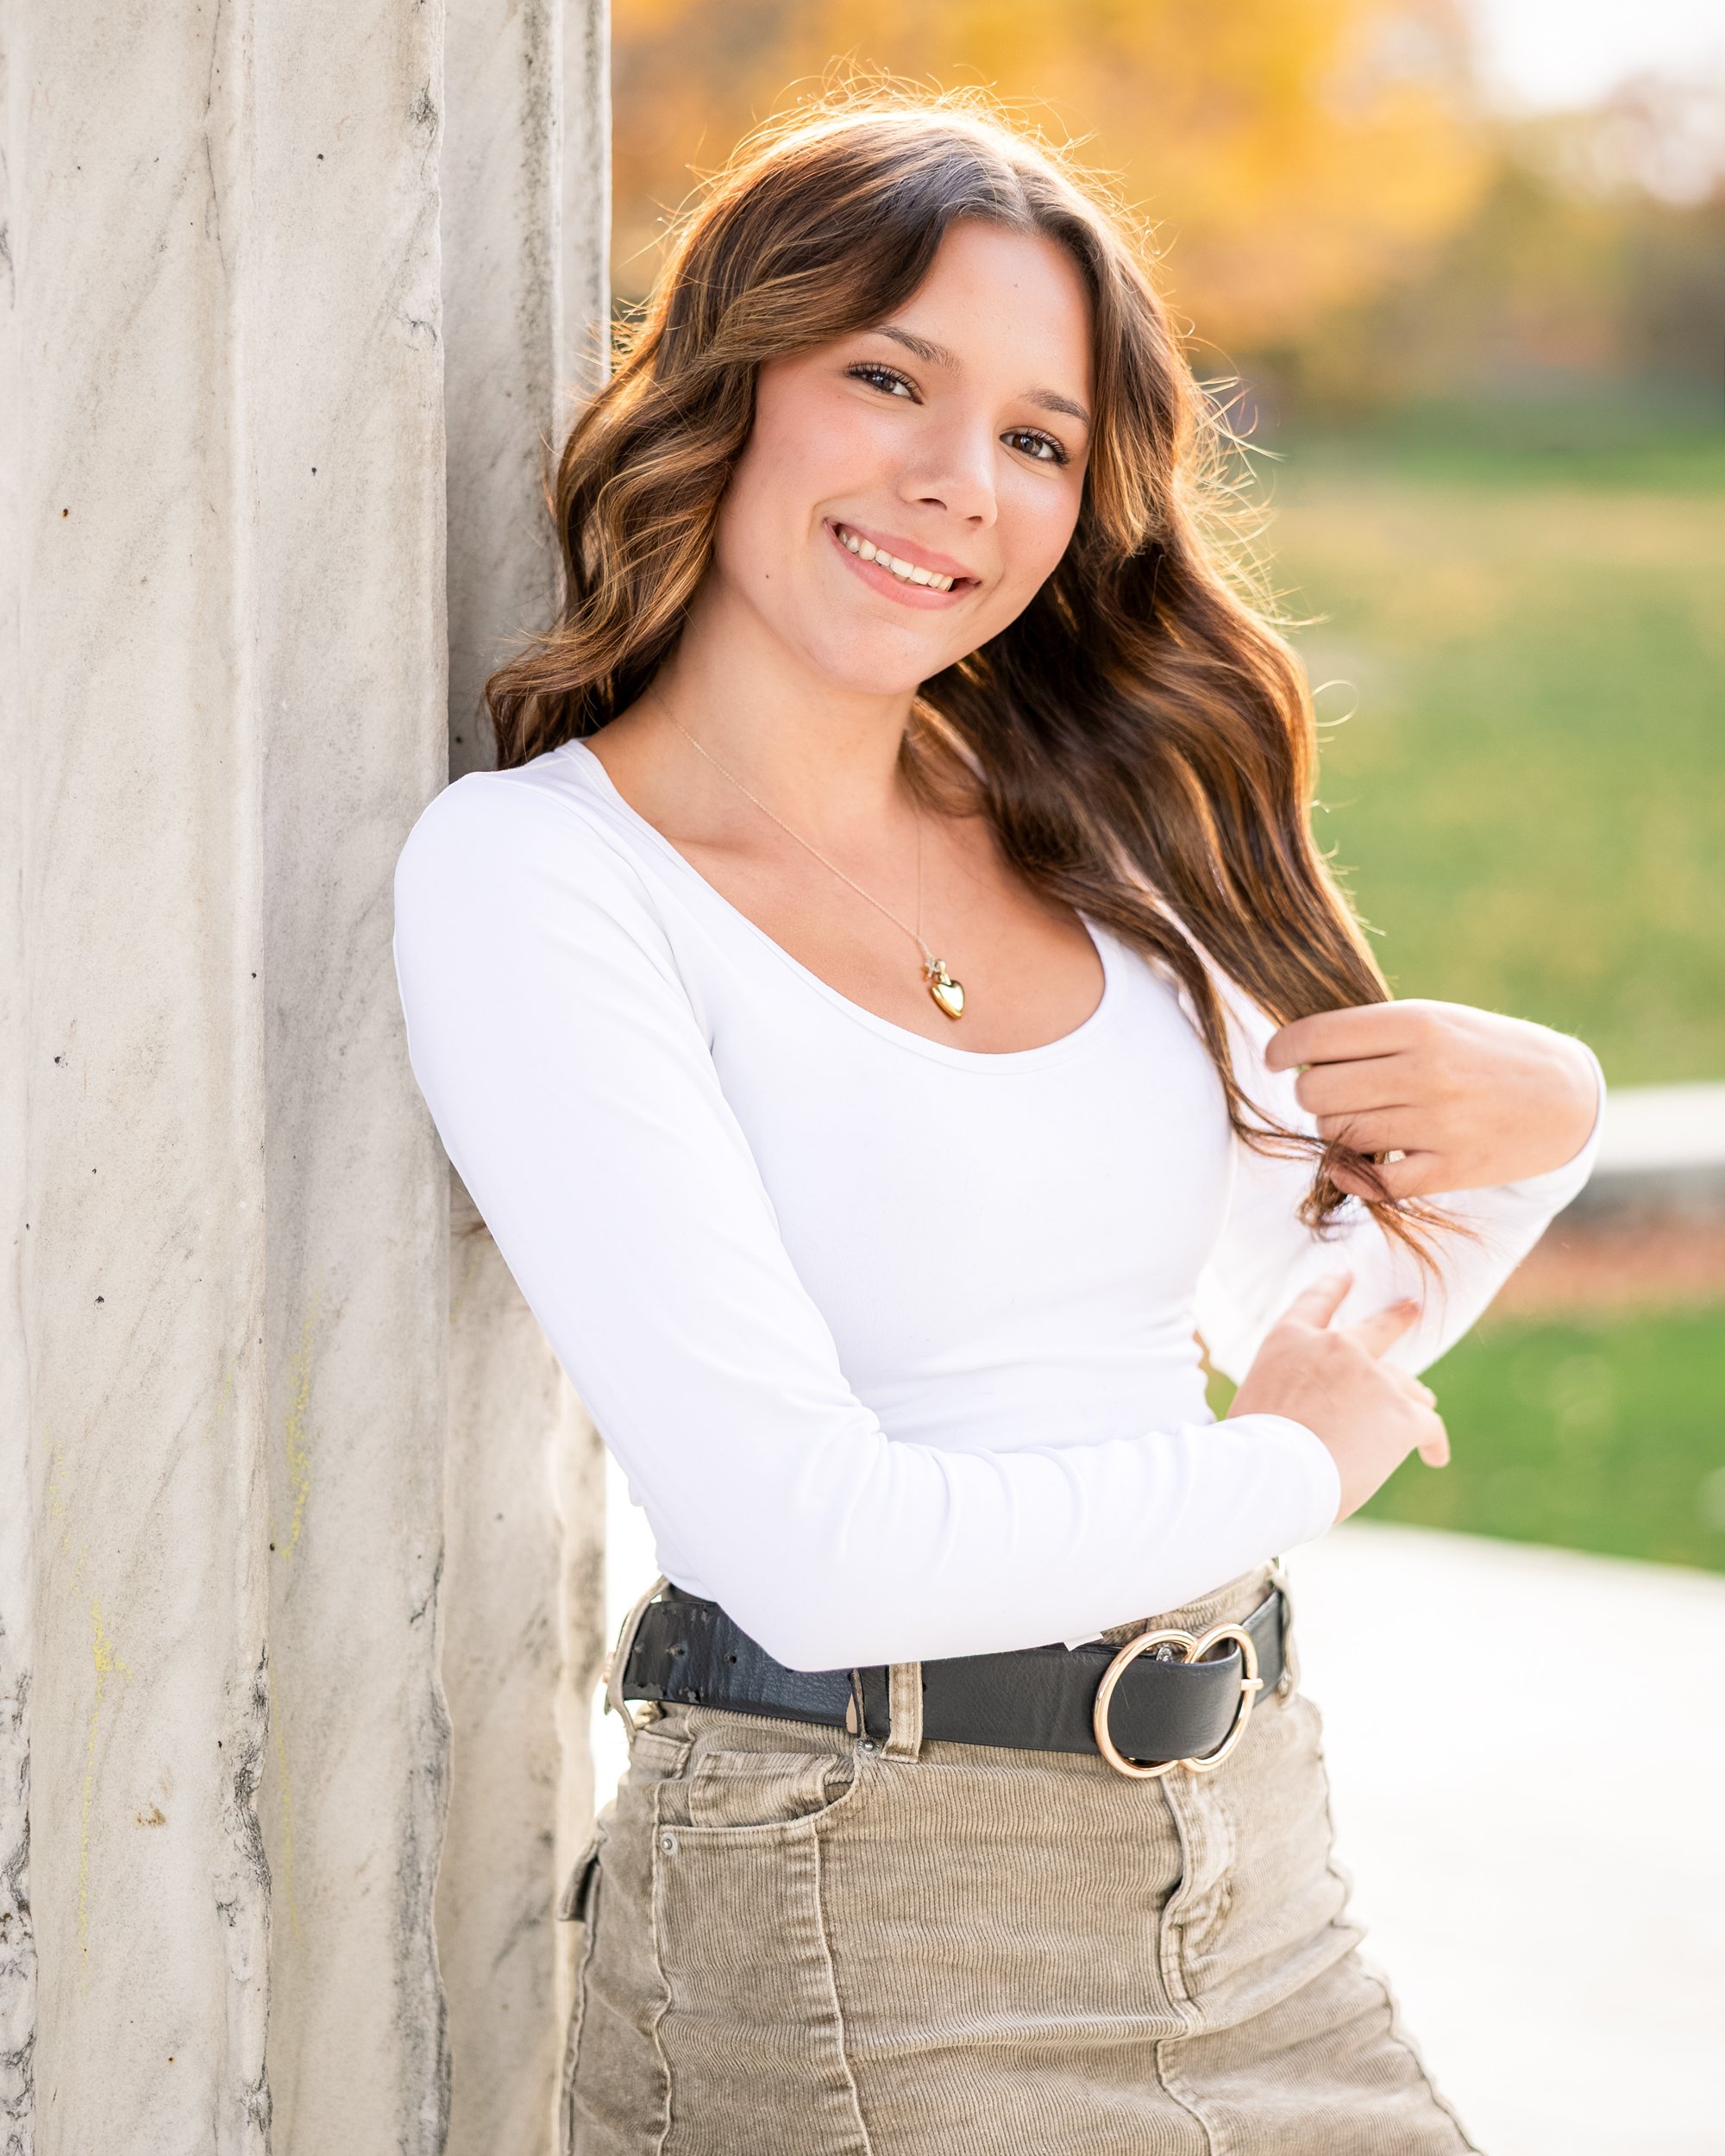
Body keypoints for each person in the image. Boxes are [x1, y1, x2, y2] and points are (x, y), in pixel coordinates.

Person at [392, 92, 1603, 2156]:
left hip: (1250, 1875)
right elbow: (815, 1551)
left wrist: (1543, 1130)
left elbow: (1323, 1325)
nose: (959, 484)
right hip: (859, 1922)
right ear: (731, 384)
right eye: (889, 378)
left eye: (1040, 440)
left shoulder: (1085, 836)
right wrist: (1278, 1466)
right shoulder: (539, 877)